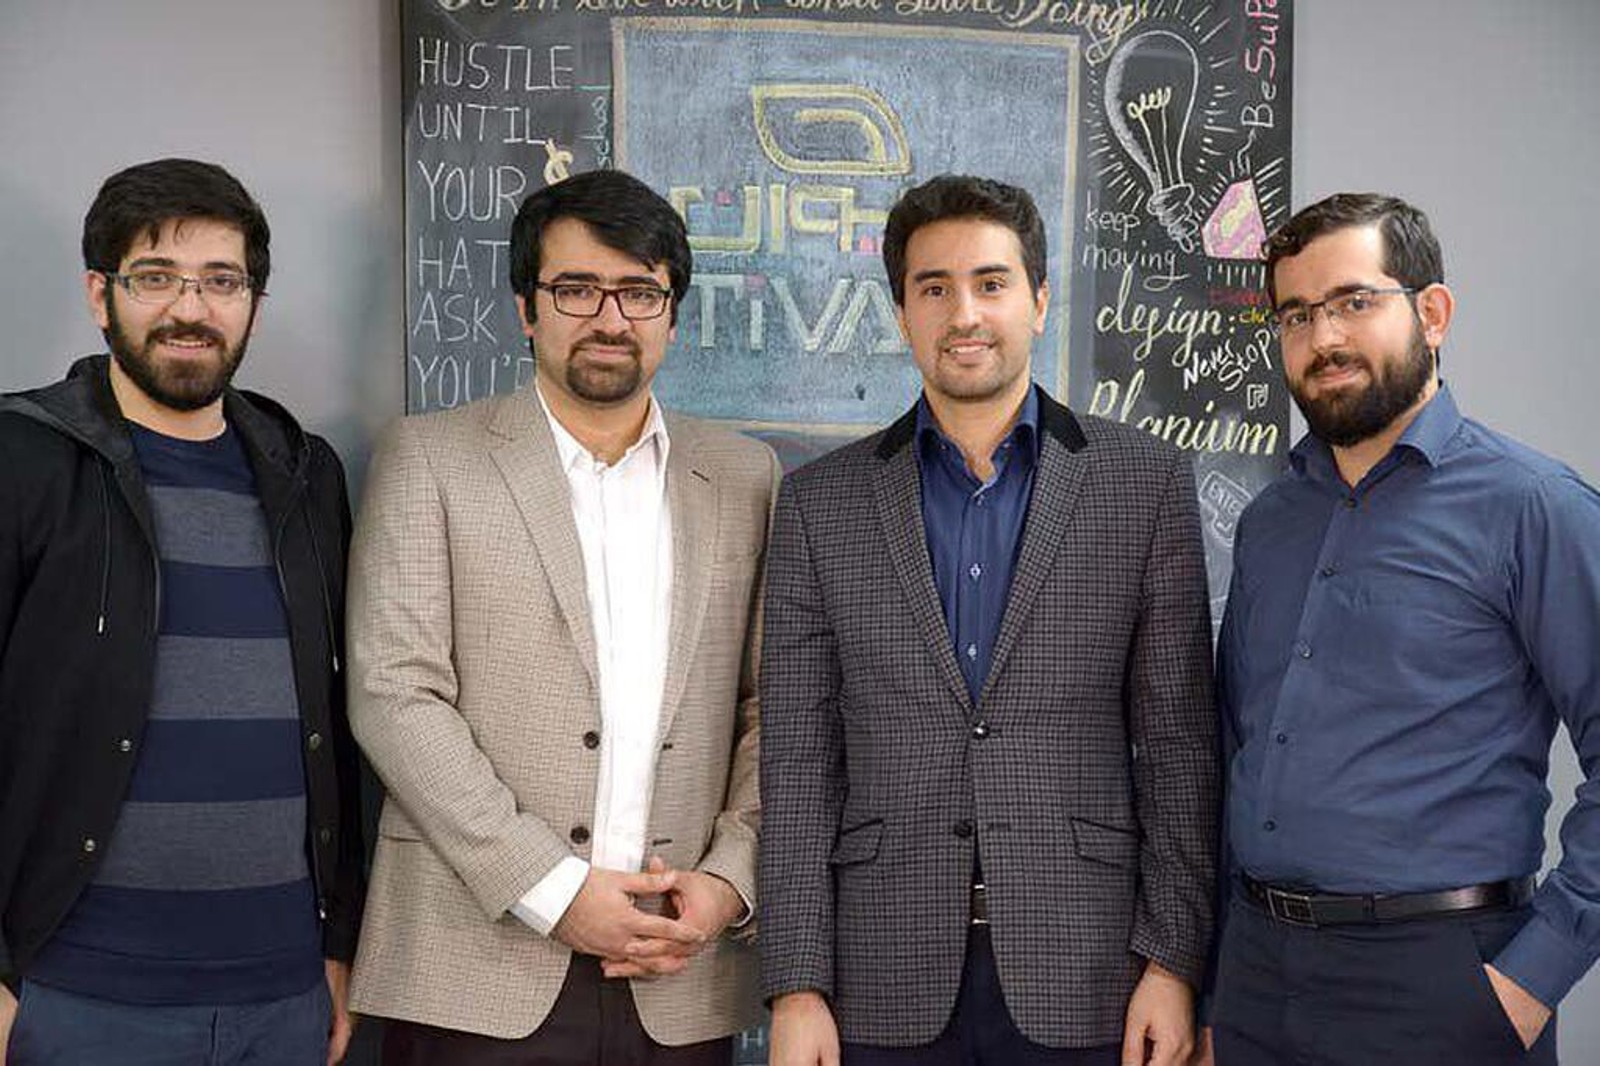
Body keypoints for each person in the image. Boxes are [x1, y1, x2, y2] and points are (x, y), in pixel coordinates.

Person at [758, 174, 1218, 1066]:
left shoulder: (1144, 482)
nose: (964, 313)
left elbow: (1179, 748)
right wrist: (797, 984)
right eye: (934, 288)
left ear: (1039, 301)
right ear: (902, 314)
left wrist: (1173, 963)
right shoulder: (820, 504)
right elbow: (800, 762)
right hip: (878, 975)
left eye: (991, 283)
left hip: (1091, 969)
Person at [346, 168, 780, 1065]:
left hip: (679, 969)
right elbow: (394, 695)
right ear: (526, 307)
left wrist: (728, 880)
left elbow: (772, 705)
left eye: (639, 292)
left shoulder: (744, 477)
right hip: (474, 964)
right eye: (577, 289)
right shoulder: (430, 457)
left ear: (671, 313)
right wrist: (550, 888)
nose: (610, 318)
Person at [1206, 192, 1600, 1065]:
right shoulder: (1269, 523)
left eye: (1354, 301)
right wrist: (1215, 978)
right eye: (1296, 315)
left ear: (1433, 312)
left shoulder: (1534, 507)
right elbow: (1235, 747)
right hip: (1257, 976)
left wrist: (1534, 976)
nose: (1323, 337)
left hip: (1441, 981)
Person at [0, 158, 364, 1064]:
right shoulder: (20, 458)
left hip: (282, 997)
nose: (190, 309)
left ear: (253, 303)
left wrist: (337, 946)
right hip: (72, 998)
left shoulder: (308, 474)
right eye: (156, 277)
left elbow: (341, 724)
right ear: (101, 294)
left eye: (221, 281)